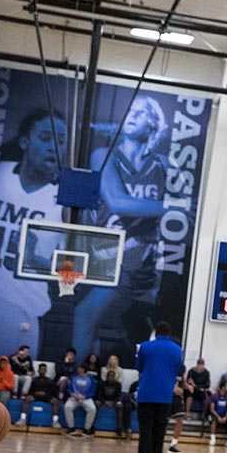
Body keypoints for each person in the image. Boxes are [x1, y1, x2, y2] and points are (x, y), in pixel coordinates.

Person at [71, 95, 169, 356]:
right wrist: (172, 206)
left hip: (138, 254)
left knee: (86, 315)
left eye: (141, 112)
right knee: (89, 319)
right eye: (130, 111)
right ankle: (82, 375)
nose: (133, 115)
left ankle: (74, 377)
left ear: (153, 124)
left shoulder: (162, 165)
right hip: (103, 248)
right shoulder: (104, 155)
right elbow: (116, 202)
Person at [0, 110, 66, 359]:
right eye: (46, 138)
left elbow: (70, 270)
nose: (54, 147)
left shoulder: (63, 200)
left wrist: (39, 261)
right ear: (25, 141)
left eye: (61, 141)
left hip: (22, 313)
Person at [133, 322, 184, 453]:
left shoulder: (145, 346)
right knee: (160, 429)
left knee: (146, 429)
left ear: (156, 333)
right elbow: (177, 369)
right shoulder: (177, 349)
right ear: (169, 333)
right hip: (165, 395)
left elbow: (139, 367)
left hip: (147, 393)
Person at [61, 365, 98, 436]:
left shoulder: (91, 378)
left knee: (92, 409)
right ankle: (71, 428)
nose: (78, 369)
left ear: (84, 369)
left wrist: (86, 396)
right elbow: (69, 388)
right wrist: (72, 394)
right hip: (74, 398)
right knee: (67, 407)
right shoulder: (73, 377)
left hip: (86, 398)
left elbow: (93, 390)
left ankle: (87, 429)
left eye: (80, 368)